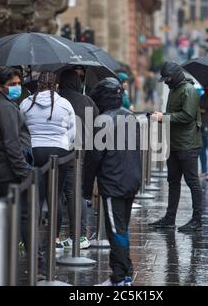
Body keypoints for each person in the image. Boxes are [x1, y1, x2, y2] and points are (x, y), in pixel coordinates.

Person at [85, 78, 142, 286]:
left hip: (113, 182)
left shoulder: (102, 120)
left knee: (116, 231)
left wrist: (85, 188)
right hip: (131, 180)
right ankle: (125, 272)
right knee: (121, 228)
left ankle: (119, 277)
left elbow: (93, 158)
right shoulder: (130, 116)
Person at [0, 67, 39, 274]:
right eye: (12, 85)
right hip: (10, 174)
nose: (17, 88)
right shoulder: (4, 108)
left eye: (18, 83)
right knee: (23, 217)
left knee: (5, 219)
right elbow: (12, 145)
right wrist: (24, 172)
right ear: (0, 86)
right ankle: (36, 263)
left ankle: (4, 263)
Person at [20, 71, 76, 253]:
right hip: (59, 151)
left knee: (35, 196)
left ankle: (31, 239)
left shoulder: (26, 103)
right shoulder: (65, 104)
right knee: (55, 196)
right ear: (56, 85)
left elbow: (21, 128)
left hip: (35, 151)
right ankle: (54, 238)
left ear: (38, 85)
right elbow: (72, 132)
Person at [149, 62, 203, 232]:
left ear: (176, 75)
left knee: (192, 182)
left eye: (168, 78)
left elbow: (187, 116)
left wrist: (163, 117)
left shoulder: (188, 90)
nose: (166, 81)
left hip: (187, 145)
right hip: (174, 144)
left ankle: (197, 220)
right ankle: (169, 218)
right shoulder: (174, 89)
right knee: (173, 181)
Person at [57, 69, 99, 250]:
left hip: (56, 153)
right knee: (76, 195)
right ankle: (80, 235)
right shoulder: (87, 101)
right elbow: (97, 127)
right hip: (78, 154)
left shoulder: (56, 100)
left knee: (55, 194)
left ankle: (56, 237)